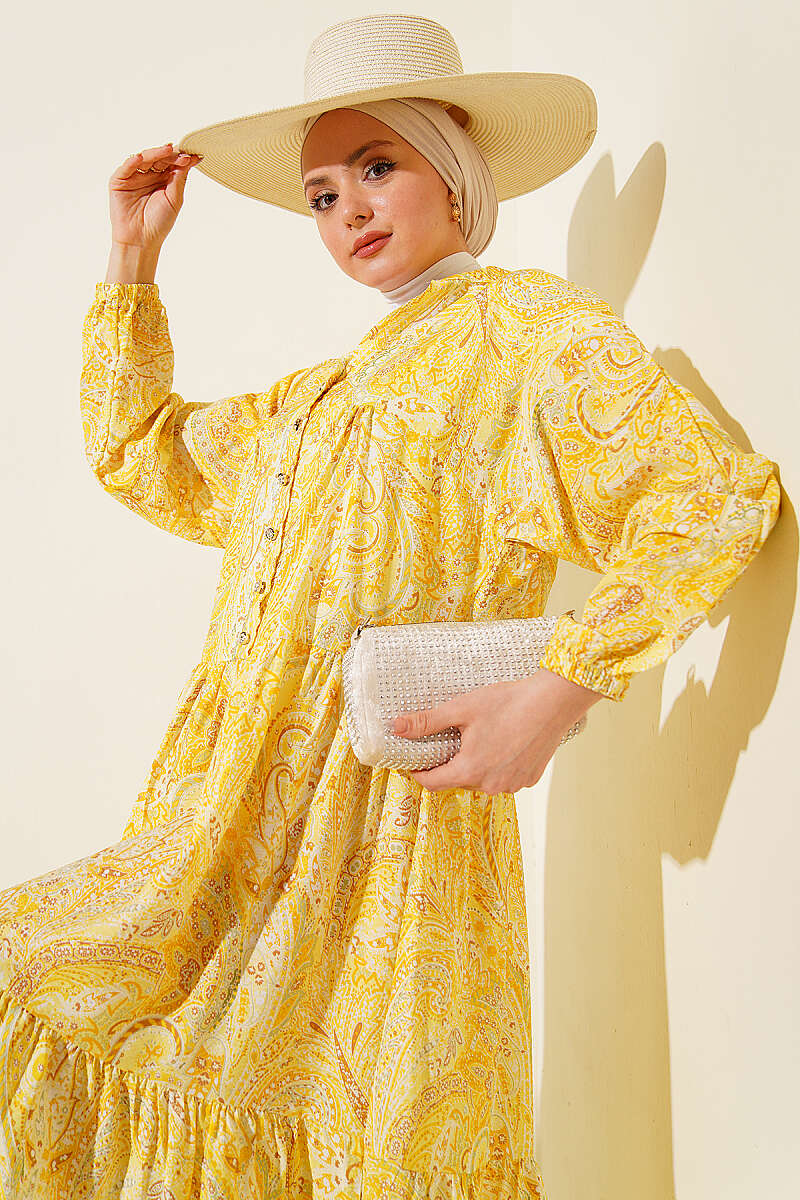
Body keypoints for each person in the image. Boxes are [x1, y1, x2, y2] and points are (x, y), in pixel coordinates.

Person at [0, 13, 780, 1200]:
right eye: (321, 194)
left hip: (395, 824)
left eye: (377, 168)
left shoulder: (529, 331)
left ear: (452, 169)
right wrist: (132, 261)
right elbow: (144, 454)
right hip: (228, 822)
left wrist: (555, 690)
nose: (348, 211)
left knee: (374, 1131)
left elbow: (710, 502)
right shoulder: (322, 395)